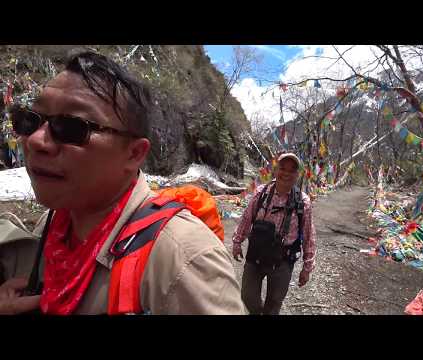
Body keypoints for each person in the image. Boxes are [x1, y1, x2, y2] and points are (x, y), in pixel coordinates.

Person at [0, 50, 244, 315]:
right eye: (29, 120)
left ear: (134, 154)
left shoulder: (181, 259)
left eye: (71, 127)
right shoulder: (53, 223)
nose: (36, 140)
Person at [232, 153, 316, 315]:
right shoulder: (261, 192)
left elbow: (309, 235)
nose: (286, 173)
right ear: (276, 170)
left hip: (283, 261)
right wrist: (237, 242)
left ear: (297, 175)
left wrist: (307, 267)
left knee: (274, 303)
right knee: (248, 297)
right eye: (283, 168)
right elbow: (247, 217)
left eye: (291, 170)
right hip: (256, 253)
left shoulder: (303, 202)